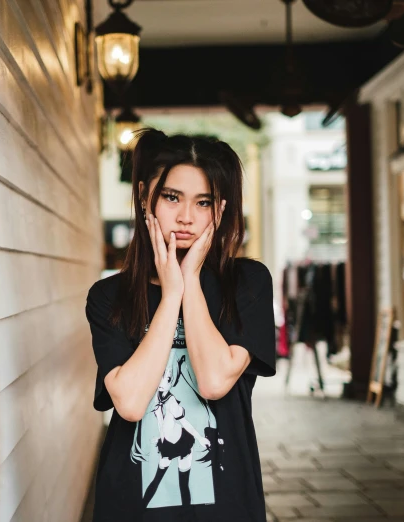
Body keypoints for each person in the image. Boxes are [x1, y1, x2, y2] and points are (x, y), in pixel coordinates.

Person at [85, 129, 277, 522]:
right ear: (144, 197)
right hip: (131, 507)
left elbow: (212, 381)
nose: (187, 217)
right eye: (172, 197)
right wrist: (169, 295)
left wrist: (189, 282)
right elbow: (131, 402)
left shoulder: (248, 283)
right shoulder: (110, 297)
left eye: (202, 202)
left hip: (227, 506)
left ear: (219, 210)